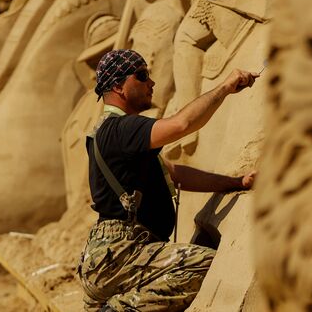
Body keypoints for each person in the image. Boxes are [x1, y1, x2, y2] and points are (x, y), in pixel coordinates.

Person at [78, 49, 258, 311]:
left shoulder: (116, 134)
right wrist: (225, 88)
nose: (151, 83)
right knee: (210, 265)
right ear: (118, 86)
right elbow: (181, 125)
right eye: (141, 76)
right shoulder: (121, 128)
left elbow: (174, 173)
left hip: (113, 257)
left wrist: (235, 182)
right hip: (121, 254)